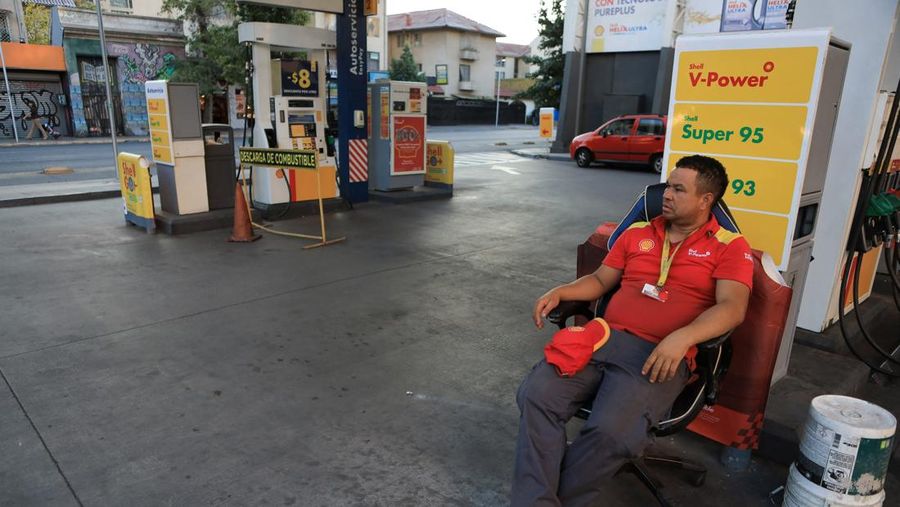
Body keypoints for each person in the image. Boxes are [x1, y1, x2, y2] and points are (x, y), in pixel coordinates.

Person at [511, 155, 754, 506]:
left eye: (678, 189)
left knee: (612, 433)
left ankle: (550, 498)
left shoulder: (730, 246)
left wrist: (683, 337)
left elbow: (733, 307)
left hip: (658, 355)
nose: (665, 194)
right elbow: (600, 281)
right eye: (668, 186)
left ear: (706, 200)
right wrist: (562, 291)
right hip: (602, 338)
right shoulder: (638, 233)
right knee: (536, 395)